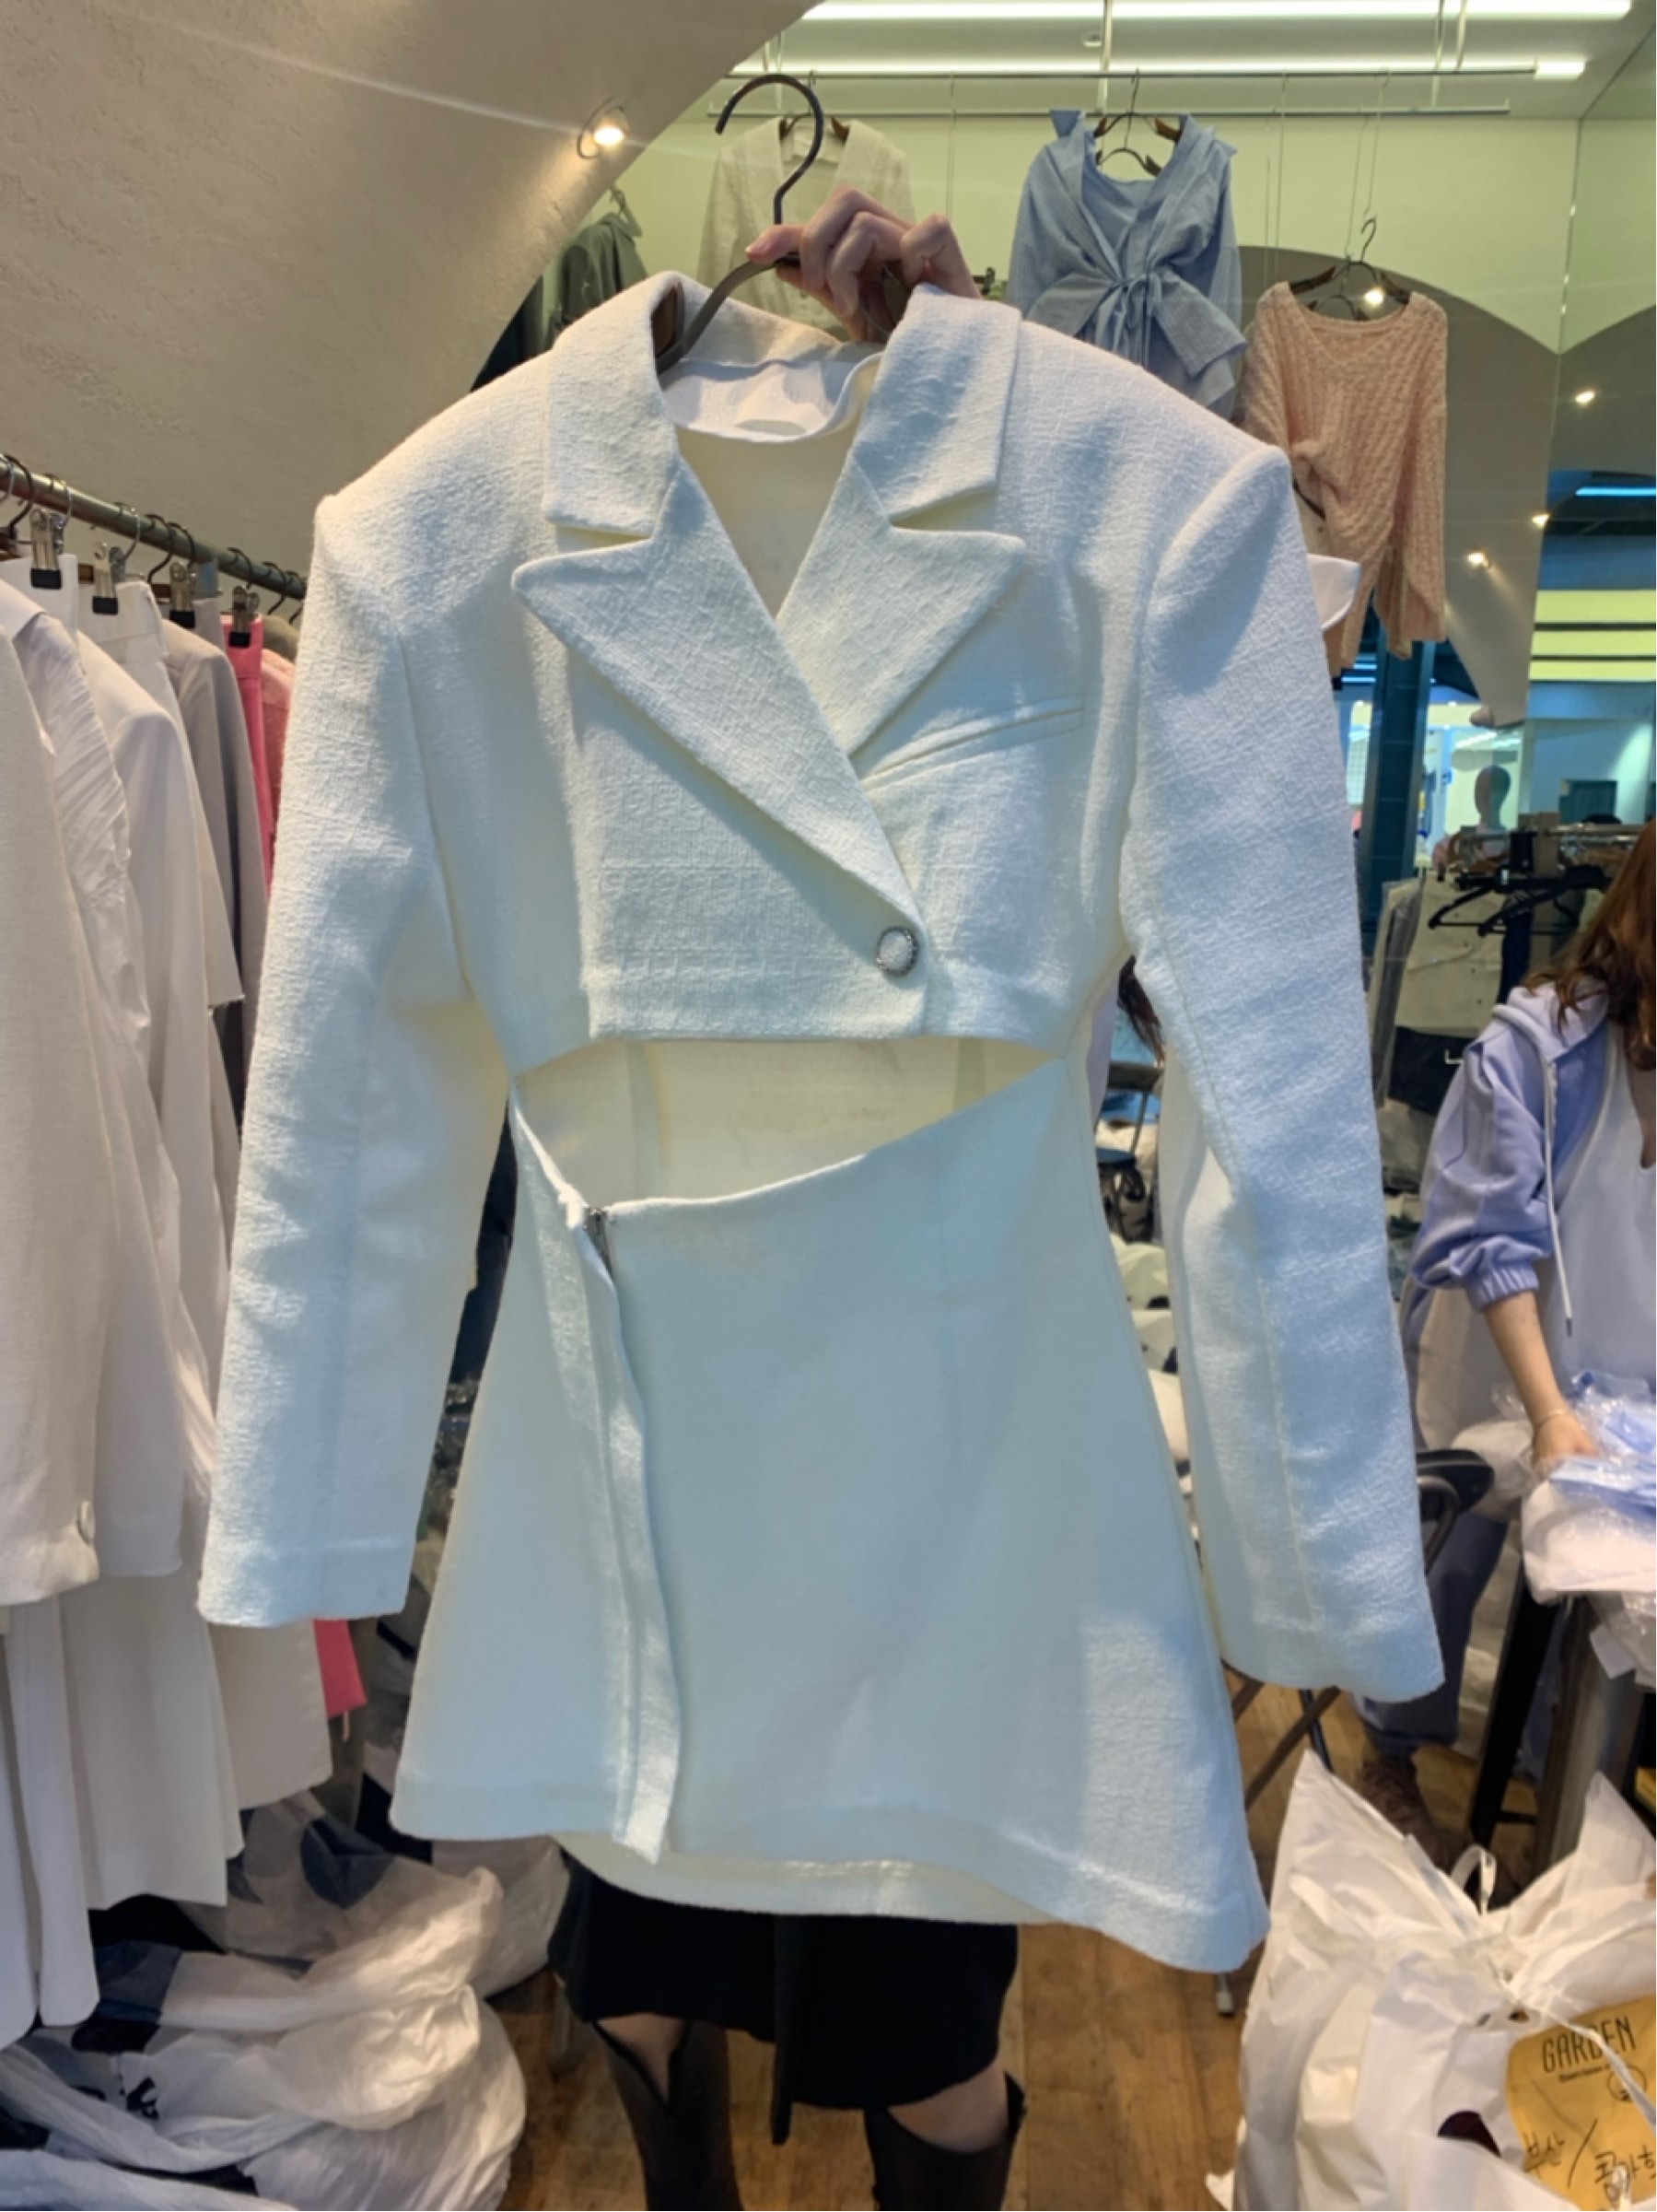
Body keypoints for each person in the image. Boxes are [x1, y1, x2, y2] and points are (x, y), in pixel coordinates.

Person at [548, 188, 1024, 2212]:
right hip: (663, 1367)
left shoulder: (1028, 526)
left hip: (924, 1381)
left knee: (925, 1997)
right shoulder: (561, 530)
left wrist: (988, 375)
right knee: (655, 1936)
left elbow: (1255, 658)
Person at [1357, 821, 1656, 1858]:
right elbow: (1491, 1239)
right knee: (1447, 1560)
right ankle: (1389, 1755)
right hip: (1496, 1355)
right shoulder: (1535, 1048)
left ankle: (1557, 1782)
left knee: (1589, 1609)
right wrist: (1547, 1411)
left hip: (1622, 1381)